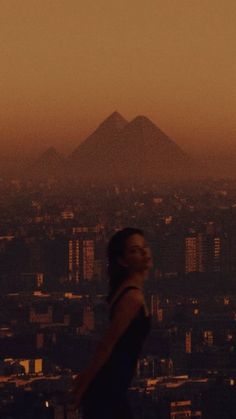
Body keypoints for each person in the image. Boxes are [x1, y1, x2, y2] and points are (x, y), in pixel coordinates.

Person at [73, 227, 152, 419]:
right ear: (122, 260)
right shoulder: (132, 297)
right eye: (134, 250)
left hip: (112, 390)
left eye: (143, 247)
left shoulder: (126, 291)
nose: (143, 253)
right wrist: (80, 389)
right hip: (108, 392)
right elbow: (106, 346)